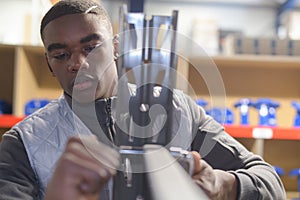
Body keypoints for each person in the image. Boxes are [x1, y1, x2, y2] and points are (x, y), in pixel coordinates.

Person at [0, 0, 286, 199]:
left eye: (91, 47)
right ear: (49, 64)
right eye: (61, 55)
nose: (79, 63)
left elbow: (270, 183)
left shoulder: (180, 110)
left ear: (115, 47)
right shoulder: (24, 141)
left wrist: (225, 185)